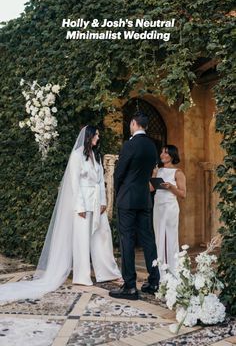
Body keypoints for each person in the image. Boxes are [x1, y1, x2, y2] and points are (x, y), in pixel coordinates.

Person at [0, 125, 121, 305]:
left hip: (96, 203)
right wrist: (79, 206)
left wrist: (103, 201)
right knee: (81, 241)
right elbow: (74, 183)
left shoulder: (95, 156)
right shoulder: (76, 155)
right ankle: (82, 275)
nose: (98, 138)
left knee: (102, 236)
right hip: (82, 203)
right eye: (96, 135)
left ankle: (108, 272)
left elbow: (99, 181)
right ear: (88, 136)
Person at [109, 112, 160, 300]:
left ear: (133, 123)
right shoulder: (152, 146)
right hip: (145, 199)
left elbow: (119, 173)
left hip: (128, 199)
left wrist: (118, 193)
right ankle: (154, 281)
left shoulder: (130, 145)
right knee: (148, 239)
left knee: (127, 241)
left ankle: (130, 286)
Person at [152, 145, 186, 280]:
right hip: (158, 207)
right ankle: (160, 272)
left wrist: (171, 187)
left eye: (165, 153)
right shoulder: (158, 170)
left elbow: (183, 194)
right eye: (162, 152)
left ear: (172, 155)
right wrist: (154, 175)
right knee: (159, 237)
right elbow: (150, 189)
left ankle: (172, 272)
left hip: (170, 207)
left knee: (170, 238)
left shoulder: (178, 172)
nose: (162, 155)